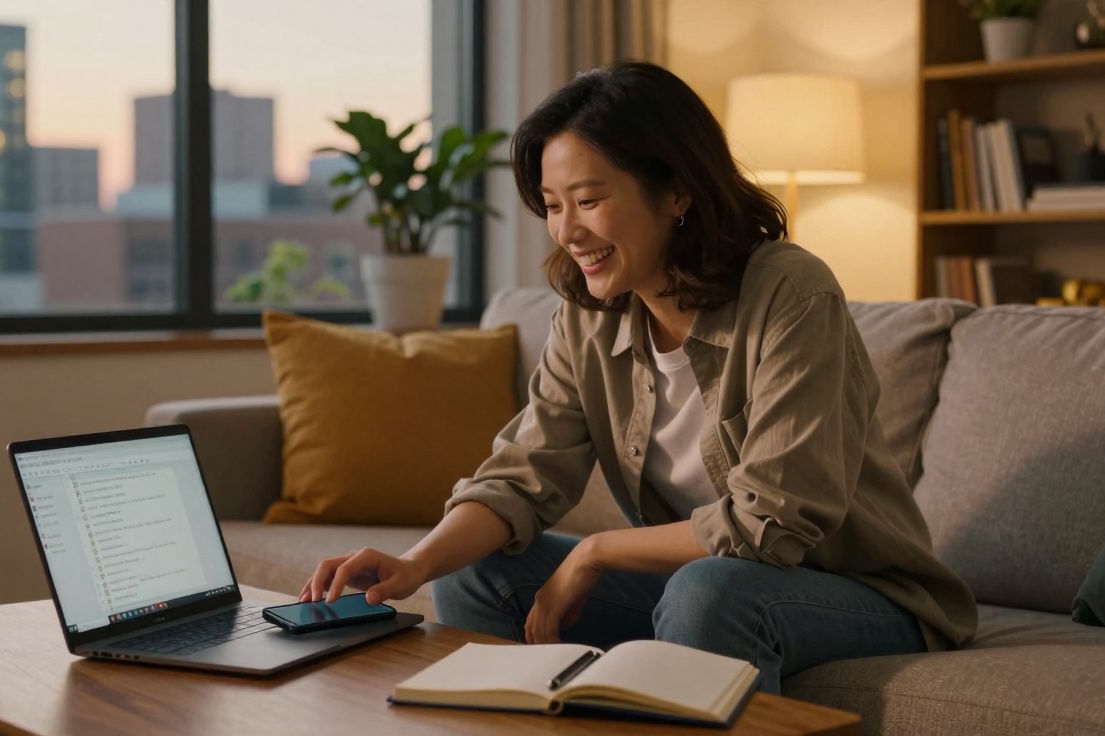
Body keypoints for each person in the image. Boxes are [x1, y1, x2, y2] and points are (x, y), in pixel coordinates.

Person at [300, 60, 977, 693]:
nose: (567, 230)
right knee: (475, 571)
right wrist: (415, 563)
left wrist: (595, 551)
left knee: (707, 593)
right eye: (552, 204)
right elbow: (521, 478)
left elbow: (771, 524)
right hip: (704, 580)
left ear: (676, 190)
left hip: (858, 592)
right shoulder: (588, 314)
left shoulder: (792, 294)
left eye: (589, 200)